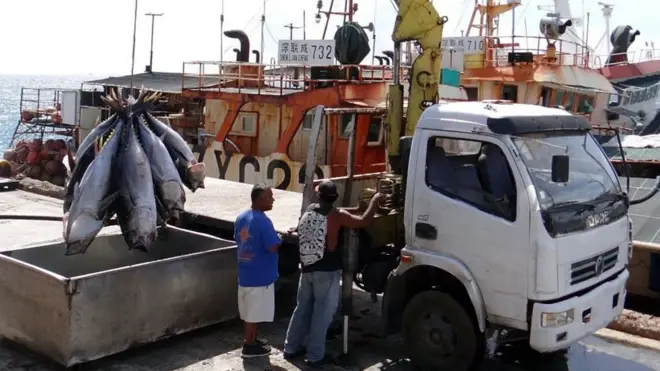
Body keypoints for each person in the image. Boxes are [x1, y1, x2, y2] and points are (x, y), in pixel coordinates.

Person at [283, 180, 385, 367]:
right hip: (326, 270)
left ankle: (291, 347)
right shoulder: (336, 216)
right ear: (335, 198)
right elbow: (364, 221)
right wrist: (375, 201)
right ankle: (315, 356)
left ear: (318, 196)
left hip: (307, 268)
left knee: (302, 309)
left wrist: (355, 208)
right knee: (322, 314)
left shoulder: (310, 209)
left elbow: (341, 212)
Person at [234, 183, 282, 358]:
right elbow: (272, 246)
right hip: (260, 276)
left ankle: (253, 339)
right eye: (270, 197)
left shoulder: (241, 217)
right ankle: (249, 345)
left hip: (246, 273)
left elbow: (239, 240)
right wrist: (280, 240)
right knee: (253, 314)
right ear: (261, 199)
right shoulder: (263, 221)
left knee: (249, 312)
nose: (273, 200)